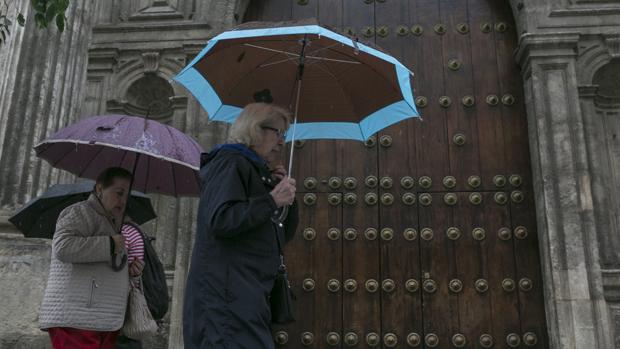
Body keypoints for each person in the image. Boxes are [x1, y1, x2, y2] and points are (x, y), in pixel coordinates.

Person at [183, 102, 299, 349]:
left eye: (284, 135)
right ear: (255, 129)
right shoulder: (230, 162)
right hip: (224, 297)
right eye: (278, 133)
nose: (281, 142)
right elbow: (221, 219)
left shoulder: (256, 172)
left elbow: (281, 234)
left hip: (247, 294)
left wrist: (283, 197)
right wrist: (271, 199)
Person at [39, 167, 144, 349]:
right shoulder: (78, 213)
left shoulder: (116, 223)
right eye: (119, 193)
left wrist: (132, 272)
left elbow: (105, 267)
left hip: (104, 317)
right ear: (99, 189)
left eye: (127, 195)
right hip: (77, 317)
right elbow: (63, 248)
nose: (123, 200)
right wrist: (109, 244)